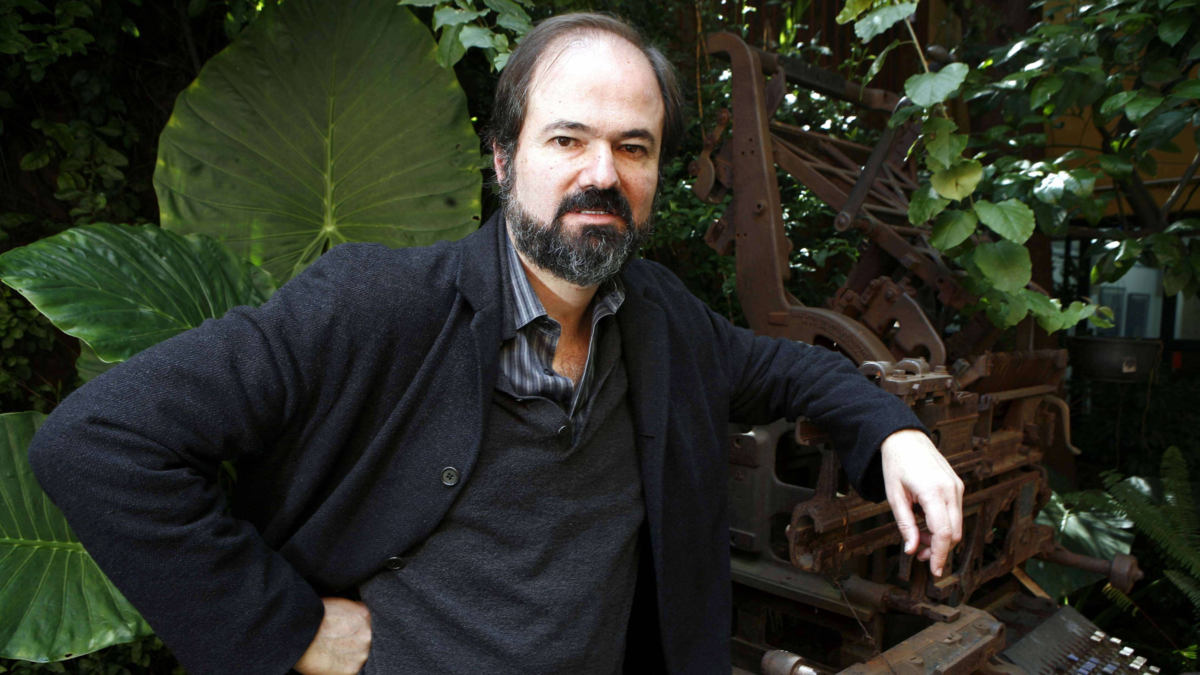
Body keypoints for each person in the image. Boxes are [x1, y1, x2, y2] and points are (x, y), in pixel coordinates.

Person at [28, 12, 964, 675]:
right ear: (505, 157)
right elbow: (98, 442)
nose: (603, 173)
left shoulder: (658, 319)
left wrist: (895, 433)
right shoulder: (375, 305)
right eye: (568, 140)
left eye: (634, 147)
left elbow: (789, 367)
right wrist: (287, 628)